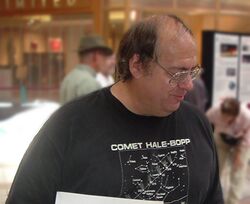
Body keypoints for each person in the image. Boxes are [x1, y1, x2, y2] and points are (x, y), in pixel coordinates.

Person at [6, 14, 223, 204]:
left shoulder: (196, 122)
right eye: (177, 73)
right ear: (137, 65)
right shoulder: (70, 125)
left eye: (191, 71)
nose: (188, 84)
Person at [206, 97, 250, 204]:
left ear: (235, 115)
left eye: (227, 117)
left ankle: (233, 201)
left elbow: (246, 138)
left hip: (240, 142)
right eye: (223, 115)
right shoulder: (215, 111)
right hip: (221, 138)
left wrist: (238, 156)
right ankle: (213, 198)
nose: (224, 119)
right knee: (217, 168)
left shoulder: (246, 117)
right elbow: (205, 124)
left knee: (238, 172)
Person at [60, 35, 113, 104]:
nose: (105, 60)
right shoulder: (89, 83)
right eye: (104, 56)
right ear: (96, 56)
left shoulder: (69, 78)